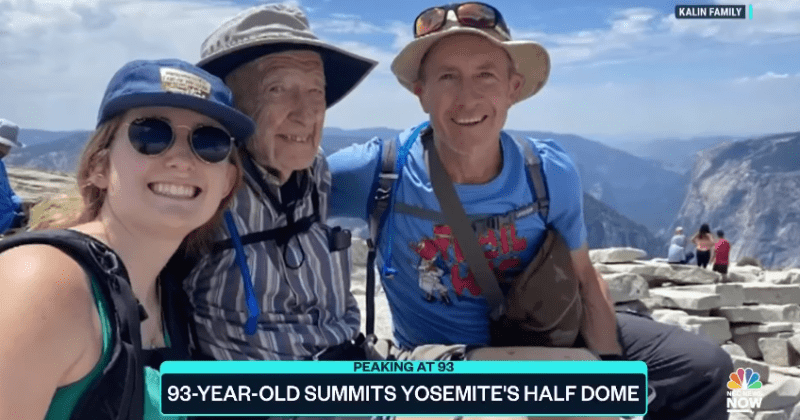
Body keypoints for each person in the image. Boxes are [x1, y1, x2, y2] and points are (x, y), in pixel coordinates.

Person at [328, 3, 732, 419]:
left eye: (485, 75)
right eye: (447, 77)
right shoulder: (377, 170)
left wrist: (610, 369)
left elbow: (584, 279)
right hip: (450, 360)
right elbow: (275, 187)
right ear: (421, 92)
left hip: (550, 333)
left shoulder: (546, 169)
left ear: (512, 88)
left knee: (703, 368)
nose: (467, 97)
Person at [0, 58, 251, 419]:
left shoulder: (168, 294)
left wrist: (357, 389)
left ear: (226, 183)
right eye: (151, 135)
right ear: (99, 167)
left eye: (208, 143)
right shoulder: (44, 284)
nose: (182, 159)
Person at [177, 3, 378, 361]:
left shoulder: (319, 173)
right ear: (231, 106)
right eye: (278, 89)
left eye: (317, 91)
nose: (306, 113)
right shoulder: (198, 189)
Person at [0, 119, 26, 235]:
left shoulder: (0, 165)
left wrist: (23, 205)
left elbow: (9, 194)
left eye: (8, 146)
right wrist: (16, 220)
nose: (5, 150)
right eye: (2, 145)